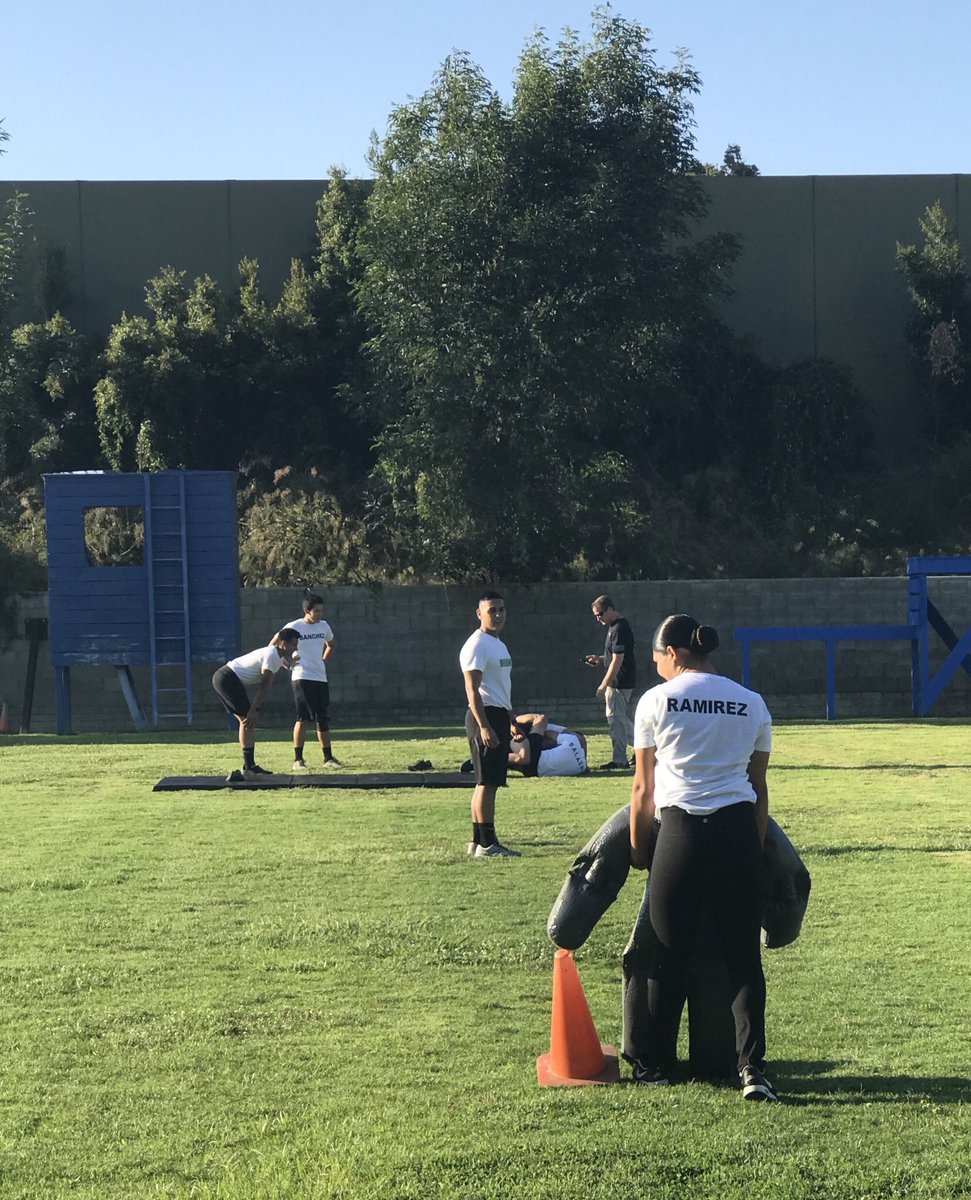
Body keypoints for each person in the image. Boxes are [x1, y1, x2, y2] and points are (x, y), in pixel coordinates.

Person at [627, 613, 776, 1101]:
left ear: (673, 653)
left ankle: (655, 1066)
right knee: (743, 959)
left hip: (681, 833)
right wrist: (752, 852)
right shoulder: (751, 702)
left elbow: (644, 788)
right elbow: (758, 789)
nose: (657, 670)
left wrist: (639, 848)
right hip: (736, 834)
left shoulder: (655, 701)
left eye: (657, 661)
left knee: (667, 954)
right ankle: (752, 1070)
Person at [459, 591, 520, 858]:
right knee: (488, 783)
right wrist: (484, 726)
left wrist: (511, 719)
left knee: (486, 781)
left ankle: (477, 841)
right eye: (492, 610)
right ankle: (488, 844)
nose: (497, 615)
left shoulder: (498, 643)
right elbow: (472, 690)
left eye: (501, 610)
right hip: (483, 716)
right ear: (479, 613)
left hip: (498, 715)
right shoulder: (477, 645)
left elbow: (500, 687)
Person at [212, 628, 301, 779]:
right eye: (293, 645)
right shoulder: (272, 656)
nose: (295, 648)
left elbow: (282, 664)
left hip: (227, 677)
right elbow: (264, 686)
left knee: (246, 722)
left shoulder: (276, 654)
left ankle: (250, 766)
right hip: (227, 679)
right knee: (247, 721)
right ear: (284, 644)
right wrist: (254, 710)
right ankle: (249, 767)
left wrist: (290, 664)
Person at [286, 591, 342, 771]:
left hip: (320, 678)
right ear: (307, 611)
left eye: (322, 611)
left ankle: (328, 758)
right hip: (302, 677)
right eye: (317, 611)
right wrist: (286, 662)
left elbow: (331, 645)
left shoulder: (324, 626)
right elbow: (273, 646)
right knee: (303, 718)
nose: (320, 614)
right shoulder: (294, 627)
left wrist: (323, 660)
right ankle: (298, 760)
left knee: (323, 719)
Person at [585, 595, 637, 769]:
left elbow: (617, 660)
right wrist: (600, 659)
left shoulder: (619, 628)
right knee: (619, 720)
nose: (598, 618)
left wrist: (603, 684)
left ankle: (638, 750)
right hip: (619, 681)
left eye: (600, 614)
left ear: (609, 610)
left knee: (617, 720)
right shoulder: (614, 627)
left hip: (619, 682)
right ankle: (638, 750)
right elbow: (613, 657)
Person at [507, 713, 588, 777]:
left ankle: (511, 721)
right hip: (532, 771)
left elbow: (548, 734)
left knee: (540, 718)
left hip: (533, 756)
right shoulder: (582, 767)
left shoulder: (572, 740)